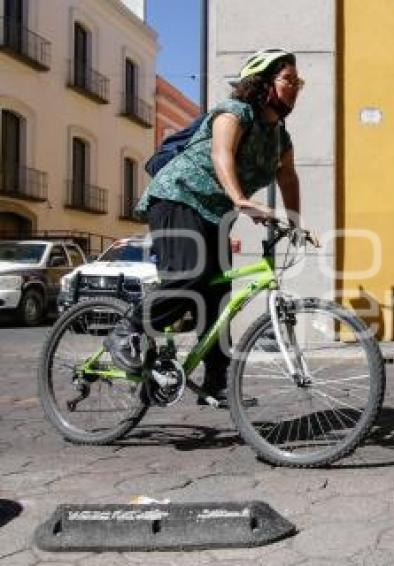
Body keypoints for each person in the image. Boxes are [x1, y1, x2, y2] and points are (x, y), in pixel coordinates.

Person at [105, 48, 307, 406]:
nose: (295, 87)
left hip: (213, 213)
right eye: (288, 79)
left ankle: (216, 381)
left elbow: (288, 177)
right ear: (262, 82)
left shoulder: (280, 137)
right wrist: (242, 200)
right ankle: (128, 330)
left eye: (297, 82)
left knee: (217, 298)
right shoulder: (234, 112)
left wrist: (295, 222)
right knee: (189, 277)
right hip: (178, 197)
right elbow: (221, 155)